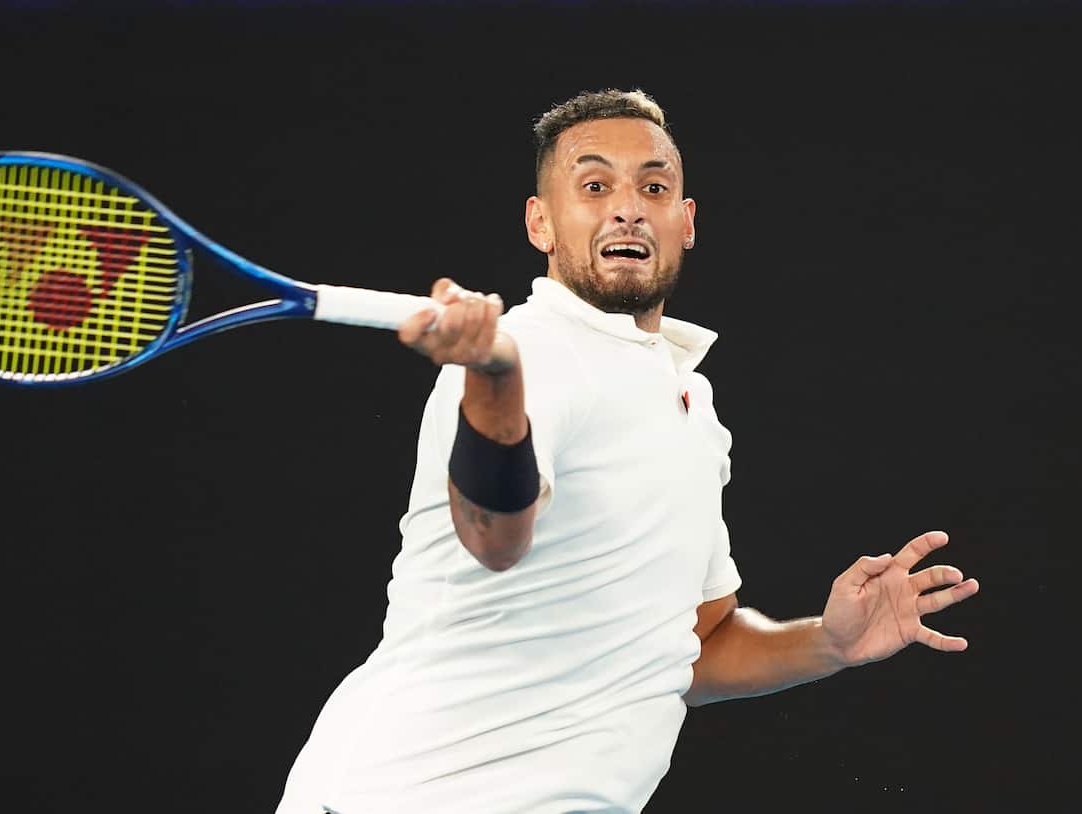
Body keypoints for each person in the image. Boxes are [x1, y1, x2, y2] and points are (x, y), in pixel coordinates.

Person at [274, 89, 979, 814]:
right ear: (540, 222)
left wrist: (828, 643)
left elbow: (695, 644)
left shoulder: (688, 404)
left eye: (653, 186)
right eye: (594, 185)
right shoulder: (537, 352)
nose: (627, 207)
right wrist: (494, 375)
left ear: (686, 220)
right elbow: (492, 537)